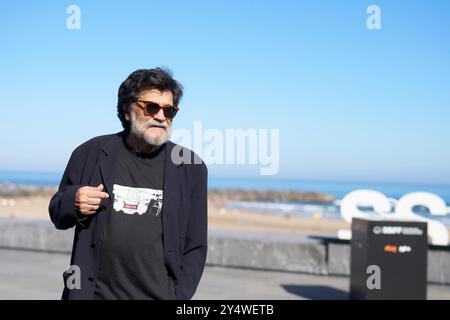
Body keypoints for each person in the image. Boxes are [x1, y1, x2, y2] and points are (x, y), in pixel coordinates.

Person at [48, 68, 208, 300]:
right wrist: (74, 200)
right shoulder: (89, 153)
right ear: (126, 110)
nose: (161, 117)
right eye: (151, 107)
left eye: (169, 110)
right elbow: (57, 213)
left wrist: (178, 297)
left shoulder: (191, 167)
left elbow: (195, 246)